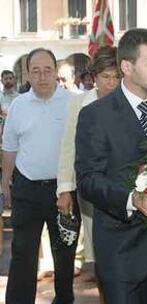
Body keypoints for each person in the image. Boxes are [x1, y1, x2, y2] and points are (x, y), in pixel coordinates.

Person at [75, 28, 147, 303]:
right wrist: (133, 200)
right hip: (121, 247)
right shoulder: (96, 115)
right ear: (126, 66)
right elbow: (88, 180)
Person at [2, 48, 78, 303]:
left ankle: (64, 300)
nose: (42, 76)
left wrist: (70, 188)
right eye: (36, 71)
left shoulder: (73, 102)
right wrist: (5, 184)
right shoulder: (18, 105)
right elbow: (10, 147)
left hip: (64, 191)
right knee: (23, 253)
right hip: (27, 190)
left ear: (56, 71)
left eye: (47, 70)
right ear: (28, 74)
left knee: (64, 254)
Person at [56, 46, 120, 301]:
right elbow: (68, 147)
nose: (112, 84)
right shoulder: (80, 104)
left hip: (127, 191)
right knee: (102, 261)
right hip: (92, 195)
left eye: (117, 77)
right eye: (106, 77)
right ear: (94, 77)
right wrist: (64, 188)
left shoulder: (130, 101)